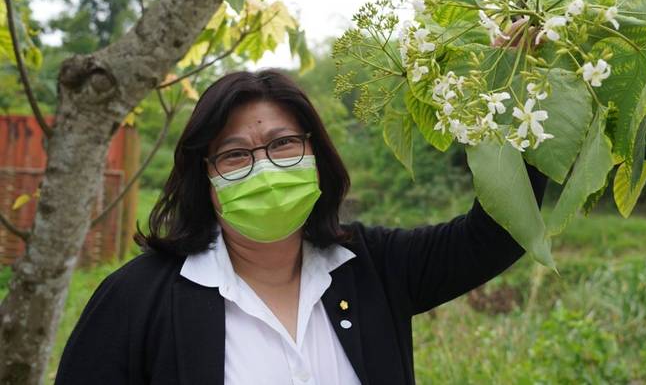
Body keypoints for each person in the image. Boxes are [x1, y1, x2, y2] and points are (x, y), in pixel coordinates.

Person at [55, 69, 547, 385]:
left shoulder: (373, 266)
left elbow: (493, 236)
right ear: (204, 178)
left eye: (283, 144)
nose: (264, 167)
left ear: (316, 155)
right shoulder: (138, 298)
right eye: (235, 154)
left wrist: (512, 93)